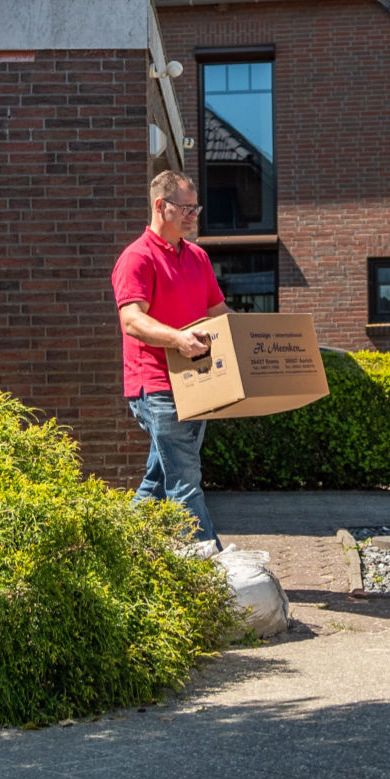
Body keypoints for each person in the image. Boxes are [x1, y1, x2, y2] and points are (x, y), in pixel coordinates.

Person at [112, 170, 228, 546]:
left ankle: (117, 548)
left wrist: (258, 340)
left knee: (160, 479)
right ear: (161, 207)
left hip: (198, 383)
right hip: (158, 386)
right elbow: (132, 320)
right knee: (185, 484)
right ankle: (216, 573)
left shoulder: (198, 257)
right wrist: (178, 339)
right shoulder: (137, 258)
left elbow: (219, 313)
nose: (194, 216)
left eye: (197, 208)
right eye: (186, 209)